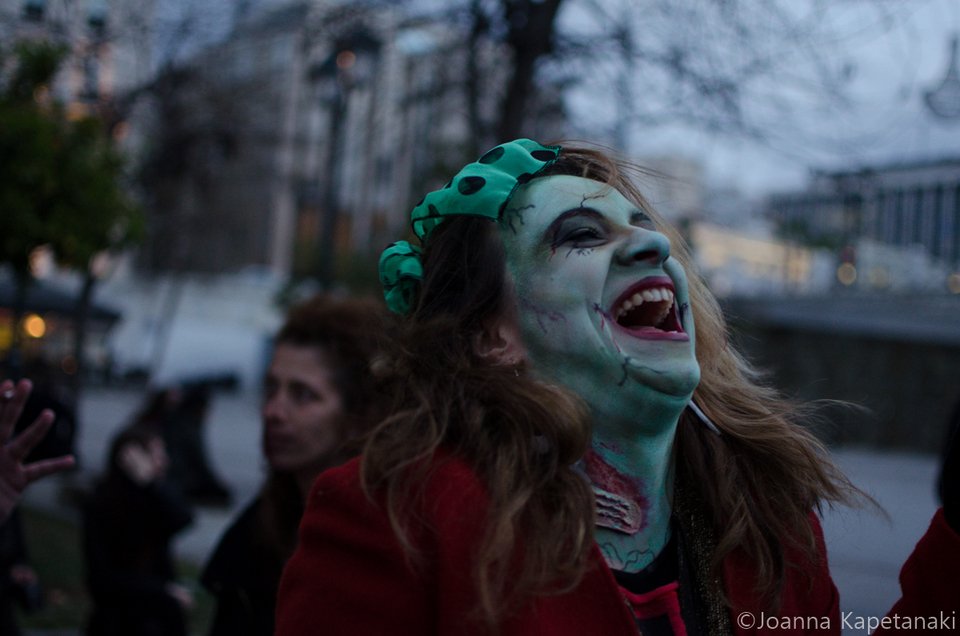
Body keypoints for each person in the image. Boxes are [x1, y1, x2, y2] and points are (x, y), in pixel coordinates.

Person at [275, 139, 960, 635]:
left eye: (644, 229)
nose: (654, 247)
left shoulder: (768, 518)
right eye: (580, 236)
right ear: (493, 337)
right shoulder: (400, 518)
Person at [200, 295, 388, 636]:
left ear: (360, 415)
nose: (273, 411)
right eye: (271, 388)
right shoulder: (258, 531)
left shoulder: (378, 542)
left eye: (302, 394)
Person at [82, 424, 194, 636]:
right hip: (119, 620)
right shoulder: (102, 504)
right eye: (155, 454)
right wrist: (162, 592)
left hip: (161, 616)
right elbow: (102, 579)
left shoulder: (153, 497)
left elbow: (183, 518)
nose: (164, 461)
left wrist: (149, 483)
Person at [0, 378, 76, 524]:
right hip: (36, 450)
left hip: (31, 451)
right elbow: (69, 421)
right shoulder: (55, 398)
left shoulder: (42, 398)